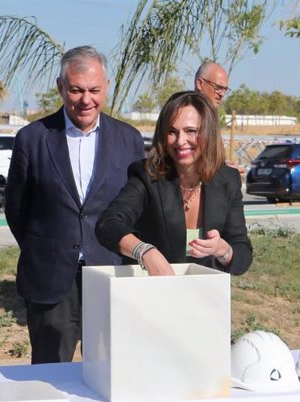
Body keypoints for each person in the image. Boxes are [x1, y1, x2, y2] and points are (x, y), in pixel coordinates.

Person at [4, 45, 145, 364]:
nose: (86, 100)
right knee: (49, 373)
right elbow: (17, 209)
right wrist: (45, 247)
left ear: (106, 87)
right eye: (76, 90)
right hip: (50, 278)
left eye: (94, 90)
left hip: (109, 272)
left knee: (111, 369)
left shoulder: (129, 140)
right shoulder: (33, 138)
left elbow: (137, 207)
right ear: (60, 87)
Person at [95, 91, 253, 276]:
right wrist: (144, 252)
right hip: (150, 296)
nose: (180, 141)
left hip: (204, 297)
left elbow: (242, 255)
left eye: (191, 131)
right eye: (172, 132)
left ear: (208, 132)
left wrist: (223, 250)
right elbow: (108, 224)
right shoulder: (147, 176)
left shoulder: (228, 179)